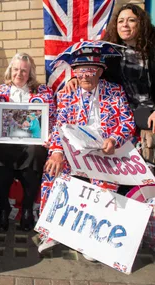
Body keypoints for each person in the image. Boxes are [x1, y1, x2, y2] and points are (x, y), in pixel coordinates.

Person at [38, 42, 136, 260]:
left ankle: (93, 239)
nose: (84, 78)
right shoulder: (66, 94)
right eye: (80, 72)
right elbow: (59, 127)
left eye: (90, 72)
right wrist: (56, 152)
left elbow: (127, 123)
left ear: (100, 71)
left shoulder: (114, 91)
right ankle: (53, 230)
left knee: (103, 184)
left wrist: (114, 139)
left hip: (107, 151)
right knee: (52, 171)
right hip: (76, 151)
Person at [0, 52, 56, 232]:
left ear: (30, 73)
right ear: (10, 71)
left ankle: (27, 208)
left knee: (35, 153)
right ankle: (3, 207)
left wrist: (49, 136)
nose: (20, 74)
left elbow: (54, 120)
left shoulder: (45, 93)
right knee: (0, 153)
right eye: (16, 69)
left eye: (24, 71)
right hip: (5, 143)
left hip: (32, 144)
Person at [66, 4, 155, 132]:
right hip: (120, 109)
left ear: (142, 23)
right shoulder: (109, 53)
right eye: (121, 21)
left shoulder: (151, 51)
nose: (124, 25)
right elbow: (95, 71)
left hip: (148, 108)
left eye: (131, 20)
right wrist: (75, 79)